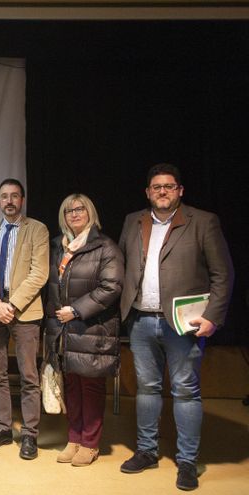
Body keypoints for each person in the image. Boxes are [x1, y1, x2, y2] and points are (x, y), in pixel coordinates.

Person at [118, 163, 233, 491]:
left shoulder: (203, 222)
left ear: (180, 190)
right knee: (147, 389)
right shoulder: (132, 221)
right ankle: (147, 451)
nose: (163, 191)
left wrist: (212, 316)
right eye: (157, 187)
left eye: (169, 186)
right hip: (140, 320)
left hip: (183, 325)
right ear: (148, 192)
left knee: (185, 390)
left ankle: (187, 460)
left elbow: (223, 274)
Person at [44, 194, 123, 467]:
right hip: (62, 329)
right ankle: (74, 439)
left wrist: (76, 310)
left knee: (90, 386)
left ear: (90, 212)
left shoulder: (105, 247)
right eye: (68, 211)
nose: (74, 214)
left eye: (80, 209)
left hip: (92, 327)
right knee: (72, 386)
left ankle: (90, 443)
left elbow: (111, 287)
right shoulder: (58, 246)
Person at [0, 178, 49, 460]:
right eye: (4, 196)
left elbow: (39, 273)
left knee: (29, 376)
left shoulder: (37, 230)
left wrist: (13, 305)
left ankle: (29, 434)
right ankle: (3, 428)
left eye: (14, 196)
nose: (9, 201)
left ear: (22, 199)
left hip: (25, 313)